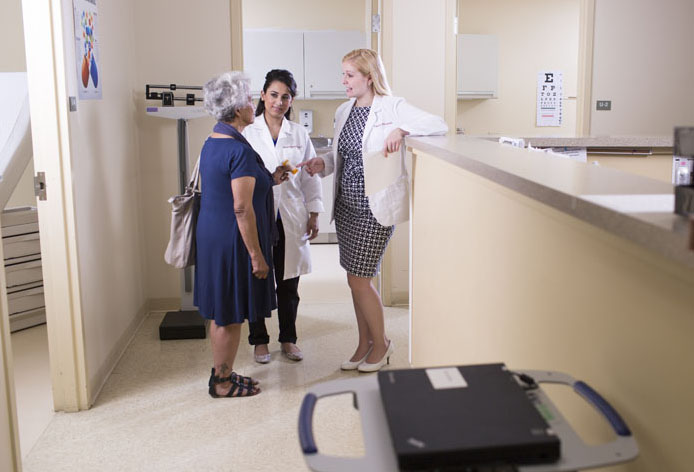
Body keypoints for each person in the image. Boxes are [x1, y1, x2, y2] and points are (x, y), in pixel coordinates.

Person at [299, 49, 448, 373]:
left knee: (361, 281)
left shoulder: (392, 107)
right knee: (354, 280)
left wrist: (402, 130)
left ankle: (381, 344)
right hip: (347, 207)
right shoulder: (344, 111)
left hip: (374, 208)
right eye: (344, 75)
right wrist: (322, 162)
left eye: (350, 75)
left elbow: (438, 124)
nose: (344, 81)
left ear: (369, 76)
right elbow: (344, 157)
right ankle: (363, 343)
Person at [195, 71, 289, 397]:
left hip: (215, 238)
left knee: (223, 310)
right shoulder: (239, 151)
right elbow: (241, 208)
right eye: (249, 99)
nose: (254, 104)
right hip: (234, 244)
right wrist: (256, 255)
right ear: (237, 108)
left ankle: (223, 374)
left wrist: (272, 177)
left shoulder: (214, 142)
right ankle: (221, 383)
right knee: (229, 315)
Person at [242, 69, 323, 364]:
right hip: (260, 215)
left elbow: (310, 177)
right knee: (258, 279)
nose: (278, 101)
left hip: (290, 214)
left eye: (285, 96)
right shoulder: (248, 133)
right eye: (273, 95)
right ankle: (259, 340)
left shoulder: (298, 133)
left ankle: (288, 338)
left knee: (289, 283)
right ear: (262, 96)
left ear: (291, 100)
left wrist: (314, 214)